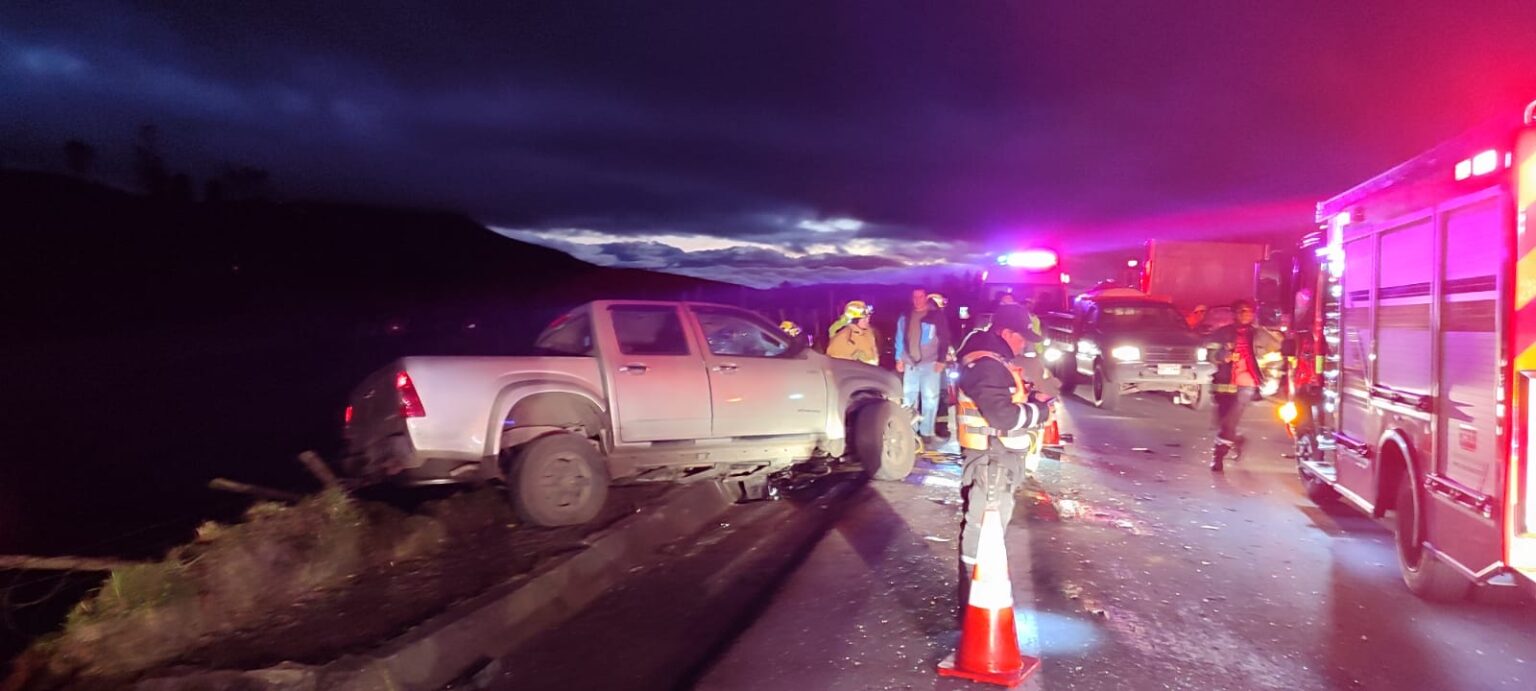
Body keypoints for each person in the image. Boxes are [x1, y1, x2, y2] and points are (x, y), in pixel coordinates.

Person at [954, 304, 1053, 576]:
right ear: (1006, 332)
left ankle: (979, 582)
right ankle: (975, 585)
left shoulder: (992, 359)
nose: (1023, 346)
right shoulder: (986, 364)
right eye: (1022, 338)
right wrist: (1041, 411)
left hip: (995, 456)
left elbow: (1001, 400)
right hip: (991, 459)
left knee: (988, 522)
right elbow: (1002, 417)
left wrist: (1031, 401)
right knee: (985, 523)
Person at [1207, 299, 1279, 471]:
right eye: (1241, 311)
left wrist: (1271, 379)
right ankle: (1237, 440)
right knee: (1223, 422)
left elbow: (1275, 359)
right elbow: (1209, 354)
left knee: (1229, 422)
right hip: (1223, 383)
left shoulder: (1262, 336)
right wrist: (1221, 356)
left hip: (1248, 383)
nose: (1245, 314)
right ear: (1234, 314)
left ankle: (1218, 457)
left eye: (1248, 311)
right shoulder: (1221, 334)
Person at [896, 288, 954, 447]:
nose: (917, 299)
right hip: (910, 364)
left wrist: (941, 360)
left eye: (920, 296)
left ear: (926, 298)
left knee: (930, 399)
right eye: (914, 296)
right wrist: (898, 358)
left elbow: (944, 339)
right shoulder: (905, 316)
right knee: (909, 399)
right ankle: (910, 433)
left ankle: (927, 433)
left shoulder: (936, 316)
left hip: (931, 363)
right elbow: (900, 338)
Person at [826, 301, 879, 366]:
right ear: (854, 320)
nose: (868, 320)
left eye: (868, 317)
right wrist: (855, 362)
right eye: (864, 318)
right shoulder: (842, 337)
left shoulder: (869, 332)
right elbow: (835, 365)